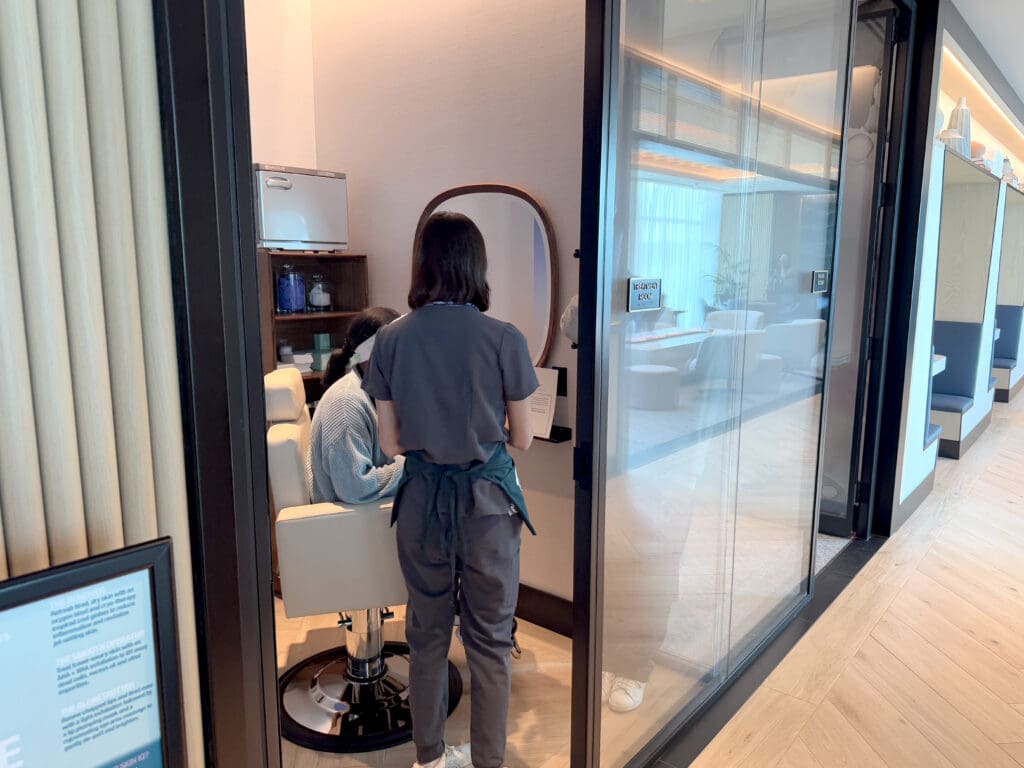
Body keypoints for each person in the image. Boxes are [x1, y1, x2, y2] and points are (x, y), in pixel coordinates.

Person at [363, 212, 538, 768]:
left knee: (428, 634)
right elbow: (526, 439)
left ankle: (430, 758)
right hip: (487, 505)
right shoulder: (505, 338)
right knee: (489, 641)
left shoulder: (388, 341)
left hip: (421, 503)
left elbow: (390, 443)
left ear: (423, 264)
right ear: (475, 266)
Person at [310, 307, 405, 505]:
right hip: (352, 524)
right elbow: (355, 487)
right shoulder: (345, 405)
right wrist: (415, 468)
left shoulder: (378, 392)